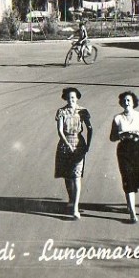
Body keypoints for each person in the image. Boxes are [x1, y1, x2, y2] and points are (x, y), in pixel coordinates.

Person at [110, 91, 139, 223]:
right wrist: (120, 135)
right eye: (124, 100)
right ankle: (133, 213)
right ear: (121, 103)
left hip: (137, 149)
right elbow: (112, 137)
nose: (126, 103)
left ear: (134, 103)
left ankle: (130, 203)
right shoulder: (117, 118)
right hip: (124, 150)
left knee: (135, 178)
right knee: (127, 178)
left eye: (129, 100)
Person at [55, 87, 92, 220]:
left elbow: (90, 128)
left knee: (76, 176)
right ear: (65, 98)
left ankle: (75, 208)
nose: (71, 100)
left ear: (77, 98)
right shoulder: (61, 111)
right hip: (64, 144)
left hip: (78, 144)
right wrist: (67, 143)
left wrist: (88, 144)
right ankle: (71, 198)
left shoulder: (83, 111)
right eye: (69, 97)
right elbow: (60, 130)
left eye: (73, 97)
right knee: (67, 175)